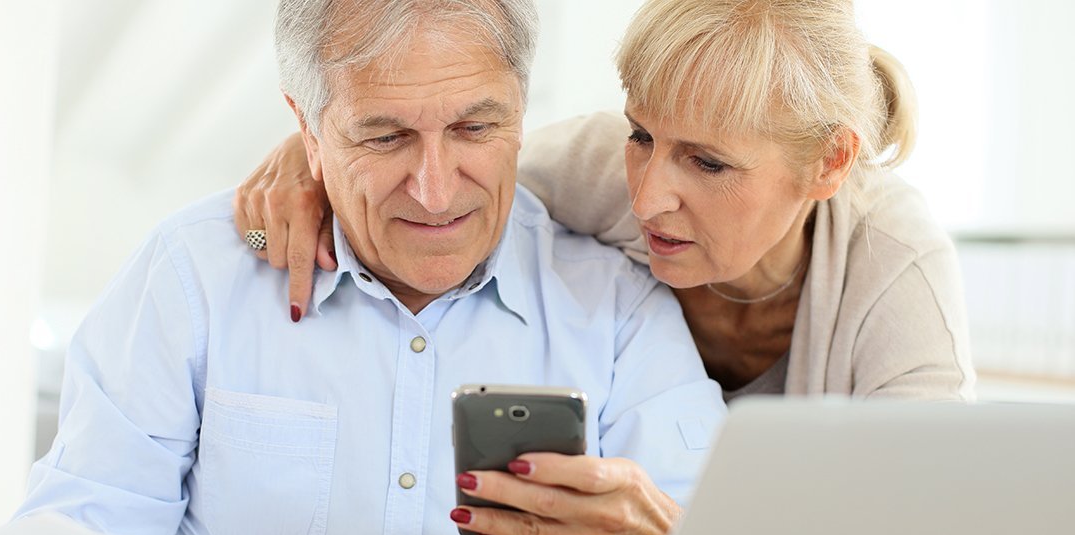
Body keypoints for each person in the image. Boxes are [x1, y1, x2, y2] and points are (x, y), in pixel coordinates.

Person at [11, 0, 726, 535]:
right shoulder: (192, 280)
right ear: (306, 131)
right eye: (384, 139)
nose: (436, 189)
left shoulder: (621, 313)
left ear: (521, 108)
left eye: (477, 127)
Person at [237, 0, 976, 403]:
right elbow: (437, 160)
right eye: (643, 135)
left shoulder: (895, 269)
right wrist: (307, 156)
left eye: (708, 163)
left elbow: (927, 529)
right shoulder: (593, 169)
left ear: (830, 162)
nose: (649, 197)